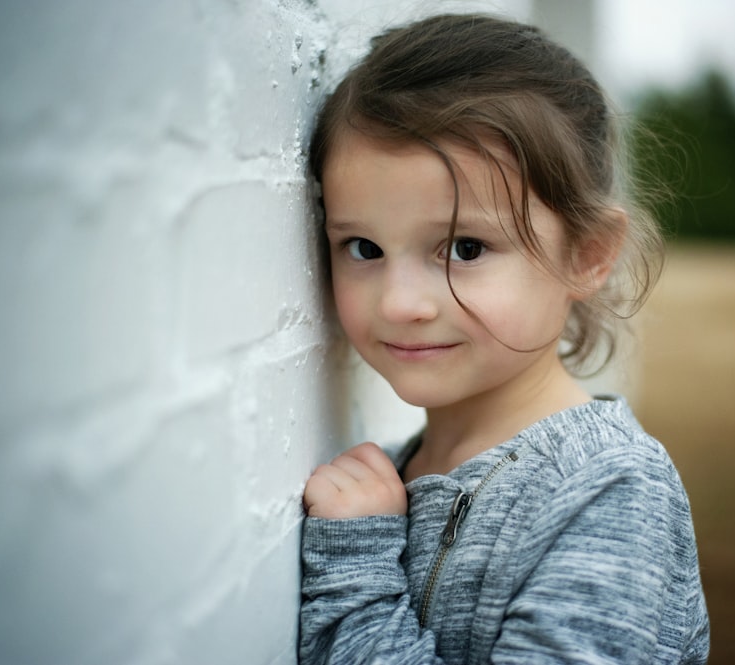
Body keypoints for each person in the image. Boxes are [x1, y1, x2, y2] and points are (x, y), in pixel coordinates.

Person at [299, 13, 709, 664]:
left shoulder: (607, 491)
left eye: (465, 247)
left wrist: (357, 571)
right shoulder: (395, 473)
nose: (402, 303)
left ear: (588, 254)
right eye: (364, 246)